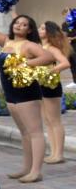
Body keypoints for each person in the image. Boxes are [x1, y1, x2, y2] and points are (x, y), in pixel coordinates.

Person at [0, 12, 53, 182]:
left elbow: (48, 57)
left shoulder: (28, 45)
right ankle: (26, 168)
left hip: (27, 93)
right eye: (17, 22)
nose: (19, 25)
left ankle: (36, 171)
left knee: (35, 132)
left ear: (29, 29)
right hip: (11, 94)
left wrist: (25, 63)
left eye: (24, 24)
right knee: (24, 133)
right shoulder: (6, 41)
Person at [39, 21, 70, 164]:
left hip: (51, 85)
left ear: (49, 32)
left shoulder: (51, 48)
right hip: (41, 85)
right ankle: (53, 152)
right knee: (48, 120)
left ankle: (59, 154)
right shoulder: (41, 46)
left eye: (43, 28)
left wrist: (50, 72)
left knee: (55, 120)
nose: (39, 30)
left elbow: (65, 63)